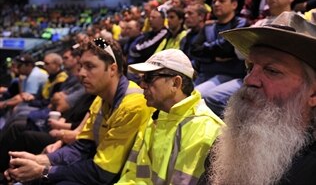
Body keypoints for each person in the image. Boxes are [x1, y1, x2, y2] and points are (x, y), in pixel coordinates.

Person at [4, 38, 153, 185]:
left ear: (112, 69)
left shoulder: (133, 105)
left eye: (90, 66)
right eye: (81, 66)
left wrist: (43, 171)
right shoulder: (100, 98)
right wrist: (38, 160)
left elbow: (103, 173)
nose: (81, 73)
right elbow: (81, 146)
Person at [198, 11, 316, 184]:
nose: (249, 79)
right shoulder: (227, 145)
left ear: (313, 94)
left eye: (272, 71)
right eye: (250, 67)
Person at [116, 49, 224, 184]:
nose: (142, 84)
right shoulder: (157, 116)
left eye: (149, 78)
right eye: (142, 78)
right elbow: (134, 175)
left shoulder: (205, 131)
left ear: (175, 83)